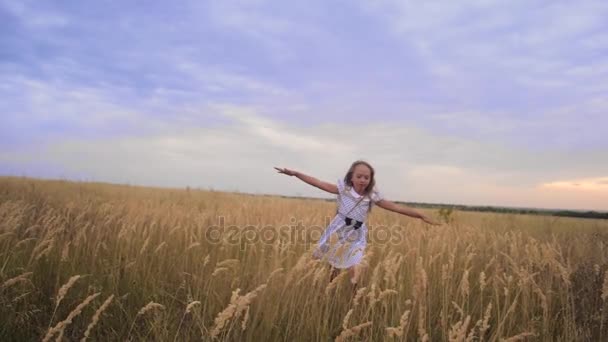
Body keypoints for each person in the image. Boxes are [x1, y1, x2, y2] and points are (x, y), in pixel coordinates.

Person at [274, 160, 440, 290]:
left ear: (370, 180)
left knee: (355, 265)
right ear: (351, 177)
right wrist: (295, 174)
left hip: (357, 233)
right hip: (338, 230)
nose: (362, 180)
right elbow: (318, 182)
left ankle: (354, 296)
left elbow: (396, 207)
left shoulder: (372, 196)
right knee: (335, 265)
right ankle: (330, 291)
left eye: (366, 177)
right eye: (359, 176)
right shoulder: (343, 190)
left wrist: (420, 215)